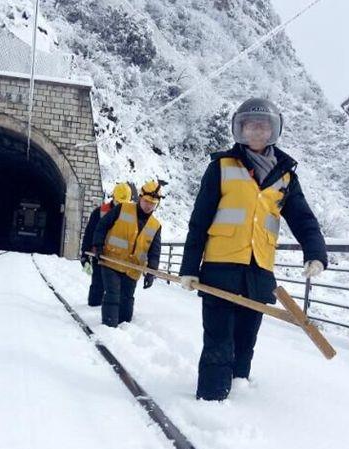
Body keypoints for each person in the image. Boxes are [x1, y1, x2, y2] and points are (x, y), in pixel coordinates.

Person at [179, 97, 327, 401]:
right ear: (240, 130)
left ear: (273, 131)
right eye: (250, 126)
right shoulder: (221, 166)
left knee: (246, 340)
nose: (256, 132)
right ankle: (211, 401)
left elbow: (303, 218)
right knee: (218, 339)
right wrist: (189, 268)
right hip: (221, 269)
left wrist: (315, 253)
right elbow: (199, 220)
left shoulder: (286, 176)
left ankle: (239, 397)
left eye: (263, 127)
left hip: (259, 272)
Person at [92, 180, 164, 327]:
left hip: (133, 268)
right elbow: (102, 225)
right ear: (140, 198)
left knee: (127, 298)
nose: (148, 205)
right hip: (111, 261)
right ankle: (109, 326)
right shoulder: (123, 208)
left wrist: (151, 272)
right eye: (146, 201)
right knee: (113, 293)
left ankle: (125, 327)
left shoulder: (156, 225)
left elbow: (154, 251)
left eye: (153, 203)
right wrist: (98, 245)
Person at [80, 182, 132, 306]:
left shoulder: (130, 216)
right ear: (113, 198)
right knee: (98, 284)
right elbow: (89, 234)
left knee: (116, 290)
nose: (120, 206)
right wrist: (84, 256)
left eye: (123, 203)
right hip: (100, 256)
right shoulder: (99, 213)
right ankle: (93, 307)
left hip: (119, 259)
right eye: (119, 202)